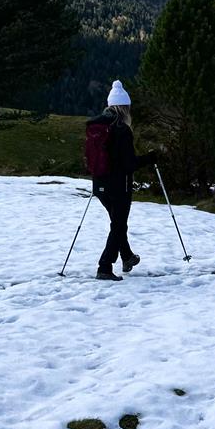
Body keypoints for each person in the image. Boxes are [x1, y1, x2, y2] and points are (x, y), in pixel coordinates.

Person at [89, 80, 159, 282]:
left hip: (99, 184)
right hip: (120, 186)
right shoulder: (122, 130)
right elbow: (129, 164)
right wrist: (150, 158)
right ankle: (104, 266)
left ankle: (127, 257)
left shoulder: (99, 125)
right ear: (125, 107)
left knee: (118, 223)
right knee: (118, 226)